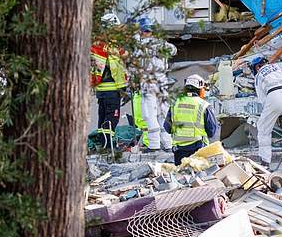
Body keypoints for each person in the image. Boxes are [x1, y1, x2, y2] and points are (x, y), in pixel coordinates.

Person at [133, 17, 177, 153]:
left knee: (149, 114)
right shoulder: (161, 44)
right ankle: (168, 144)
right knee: (163, 113)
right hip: (162, 83)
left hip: (148, 84)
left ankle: (154, 145)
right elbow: (173, 51)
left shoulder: (141, 47)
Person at [164, 74, 220, 165]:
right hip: (198, 149)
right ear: (200, 90)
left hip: (179, 150)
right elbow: (212, 131)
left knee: (181, 175)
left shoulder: (175, 104)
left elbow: (167, 128)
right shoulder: (203, 105)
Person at [90, 14, 127, 150]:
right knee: (112, 118)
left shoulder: (96, 45)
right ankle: (108, 146)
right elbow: (116, 68)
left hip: (100, 90)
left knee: (103, 117)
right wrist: (123, 88)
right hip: (112, 90)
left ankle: (103, 144)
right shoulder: (112, 47)